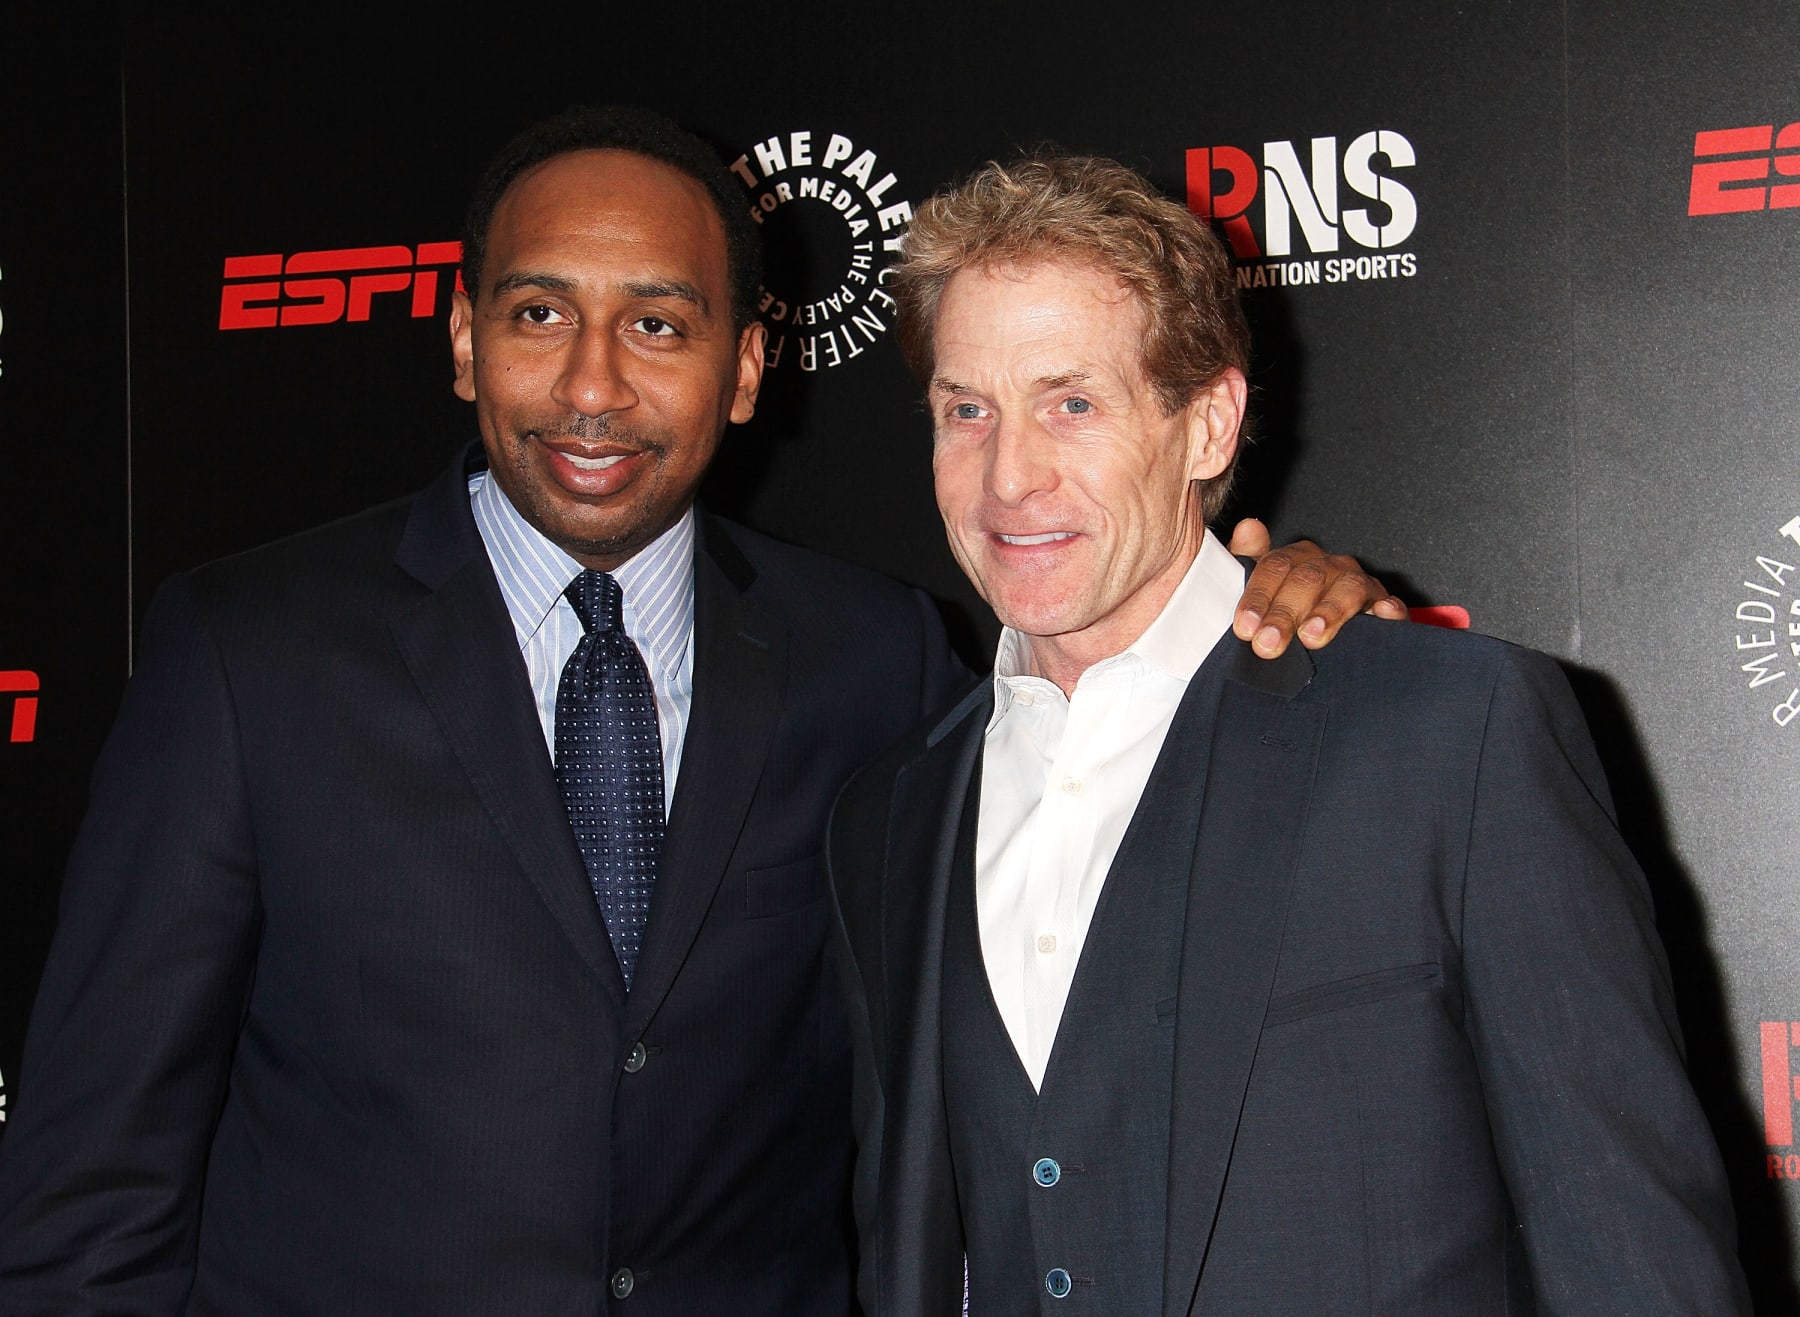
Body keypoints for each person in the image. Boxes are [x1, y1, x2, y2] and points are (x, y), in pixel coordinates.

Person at [0, 110, 1389, 1314]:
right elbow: (93, 1181)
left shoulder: (877, 658)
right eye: (539, 314)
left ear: (742, 369)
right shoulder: (251, 654)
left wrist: (1275, 609)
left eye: (657, 325)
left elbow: (1098, 818)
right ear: (465, 343)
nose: (594, 384)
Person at [826, 152, 1751, 1314]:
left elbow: (1629, 1250)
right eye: (968, 411)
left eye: (1072, 403)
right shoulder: (889, 819)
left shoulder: (1450, 737)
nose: (1010, 476)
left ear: (1208, 422)